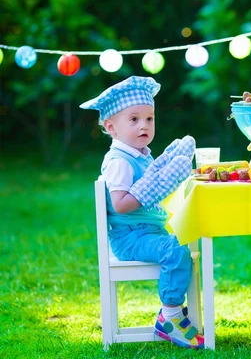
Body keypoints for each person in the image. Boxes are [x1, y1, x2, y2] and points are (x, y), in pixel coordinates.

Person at [80, 76, 204, 349]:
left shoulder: (140, 155)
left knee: (184, 240)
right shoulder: (119, 162)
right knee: (176, 250)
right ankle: (169, 316)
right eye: (134, 119)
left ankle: (178, 313)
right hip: (130, 237)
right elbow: (121, 204)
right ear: (111, 127)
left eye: (150, 119)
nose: (144, 125)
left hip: (147, 232)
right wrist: (146, 191)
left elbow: (157, 186)